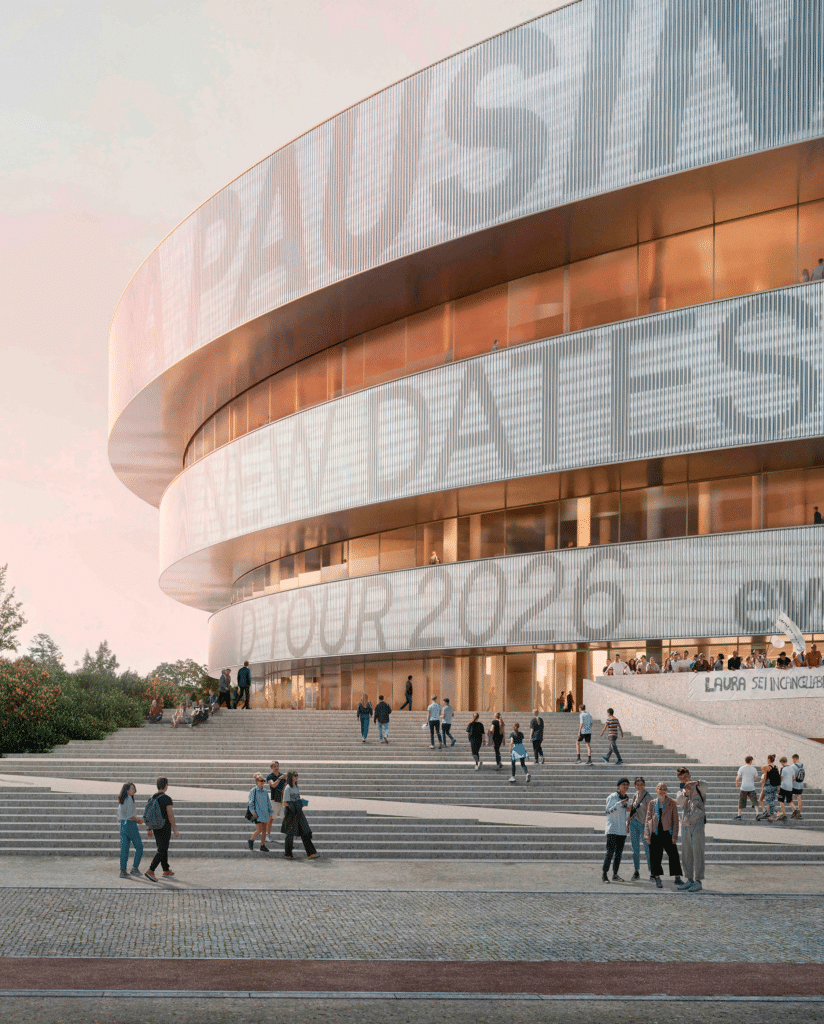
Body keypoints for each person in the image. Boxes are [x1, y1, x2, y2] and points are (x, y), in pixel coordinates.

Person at [644, 782, 683, 889]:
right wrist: (647, 835)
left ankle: (677, 878)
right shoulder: (652, 803)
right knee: (655, 857)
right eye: (660, 788)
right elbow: (648, 819)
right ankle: (657, 877)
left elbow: (675, 821)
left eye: (664, 788)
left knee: (674, 855)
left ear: (666, 791)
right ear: (656, 790)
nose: (662, 790)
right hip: (655, 833)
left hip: (668, 833)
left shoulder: (671, 803)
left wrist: (675, 836)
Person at [675, 767, 706, 892]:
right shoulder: (680, 791)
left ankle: (698, 880)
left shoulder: (700, 786)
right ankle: (689, 879)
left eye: (686, 776)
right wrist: (686, 793)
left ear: (690, 775)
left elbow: (706, 785)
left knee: (697, 851)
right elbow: (681, 802)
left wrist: (695, 783)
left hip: (698, 823)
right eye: (681, 778)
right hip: (685, 824)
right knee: (686, 852)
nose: (684, 779)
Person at [144, 777, 179, 882]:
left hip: (155, 827)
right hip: (164, 827)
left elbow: (149, 814)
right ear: (166, 785)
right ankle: (151, 870)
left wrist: (148, 828)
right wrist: (175, 829)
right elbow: (170, 815)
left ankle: (166, 870)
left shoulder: (152, 798)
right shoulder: (166, 798)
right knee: (162, 849)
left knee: (162, 848)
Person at [281, 770, 318, 859]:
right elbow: (284, 803)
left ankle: (311, 853)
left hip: (298, 812)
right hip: (290, 813)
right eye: (294, 775)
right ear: (290, 777)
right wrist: (295, 804)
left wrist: (301, 802)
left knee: (305, 831)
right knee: (290, 834)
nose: (296, 777)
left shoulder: (296, 787)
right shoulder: (288, 788)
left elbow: (296, 799)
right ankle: (288, 854)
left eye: (297, 775)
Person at [602, 778, 630, 882]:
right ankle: (604, 874)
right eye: (623, 784)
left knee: (619, 854)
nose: (625, 786)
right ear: (618, 786)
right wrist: (619, 804)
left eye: (627, 785)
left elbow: (626, 816)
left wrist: (628, 811)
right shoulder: (612, 797)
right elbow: (608, 811)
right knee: (610, 852)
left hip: (622, 831)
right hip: (612, 829)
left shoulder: (627, 799)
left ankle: (615, 874)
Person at [627, 777, 652, 881]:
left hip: (644, 825)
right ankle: (636, 871)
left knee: (648, 849)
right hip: (634, 823)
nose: (639, 786)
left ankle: (652, 872)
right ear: (635, 785)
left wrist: (648, 827)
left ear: (644, 785)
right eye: (637, 784)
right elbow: (632, 810)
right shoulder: (635, 795)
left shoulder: (648, 796)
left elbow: (651, 813)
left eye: (641, 784)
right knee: (635, 848)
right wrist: (628, 823)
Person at [117, 782, 144, 878]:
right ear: (127, 790)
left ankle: (123, 871)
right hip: (130, 825)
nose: (134, 790)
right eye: (131, 788)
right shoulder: (129, 799)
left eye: (134, 788)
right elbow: (130, 816)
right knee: (139, 847)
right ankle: (135, 868)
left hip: (123, 825)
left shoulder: (122, 800)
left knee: (124, 849)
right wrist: (138, 820)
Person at [247, 773, 273, 851]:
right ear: (257, 781)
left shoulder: (265, 791)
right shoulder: (253, 790)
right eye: (261, 781)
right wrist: (253, 812)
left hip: (265, 813)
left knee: (264, 830)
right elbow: (250, 802)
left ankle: (262, 845)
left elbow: (268, 802)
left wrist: (270, 812)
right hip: (257, 814)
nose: (262, 782)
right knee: (259, 830)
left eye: (263, 781)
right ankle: (251, 840)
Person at [265, 760, 287, 844]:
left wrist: (286, 783)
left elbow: (285, 786)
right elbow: (273, 785)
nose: (276, 767)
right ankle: (268, 835)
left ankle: (287, 836)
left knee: (285, 818)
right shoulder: (270, 776)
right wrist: (279, 778)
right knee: (271, 819)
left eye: (277, 766)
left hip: (282, 800)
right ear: (271, 768)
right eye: (274, 766)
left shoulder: (282, 775)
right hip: (274, 800)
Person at [757, 754, 779, 822]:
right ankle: (771, 817)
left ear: (769, 759)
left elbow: (765, 778)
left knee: (769, 802)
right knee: (771, 801)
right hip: (775, 786)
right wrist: (778, 787)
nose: (766, 760)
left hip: (769, 786)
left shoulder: (767, 767)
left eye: (767, 759)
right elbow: (778, 777)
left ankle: (778, 813)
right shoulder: (776, 767)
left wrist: (762, 784)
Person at [791, 754, 805, 819]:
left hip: (794, 784)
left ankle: (794, 811)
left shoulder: (793, 766)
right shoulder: (803, 766)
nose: (792, 761)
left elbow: (792, 777)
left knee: (790, 798)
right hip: (801, 785)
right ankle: (799, 813)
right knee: (799, 799)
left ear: (794, 759)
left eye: (793, 759)